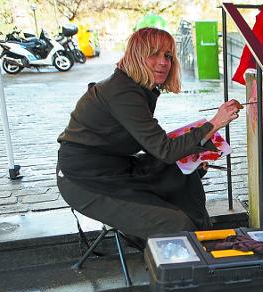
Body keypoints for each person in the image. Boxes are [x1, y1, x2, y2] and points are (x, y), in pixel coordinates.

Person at [57, 28, 241, 241]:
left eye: (168, 56)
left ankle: (204, 243)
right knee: (177, 225)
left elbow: (156, 145)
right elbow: (164, 150)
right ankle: (186, 256)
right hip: (84, 180)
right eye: (154, 54)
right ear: (136, 56)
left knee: (182, 175)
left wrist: (194, 156)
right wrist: (215, 123)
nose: (163, 62)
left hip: (116, 168)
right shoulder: (122, 91)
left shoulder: (133, 87)